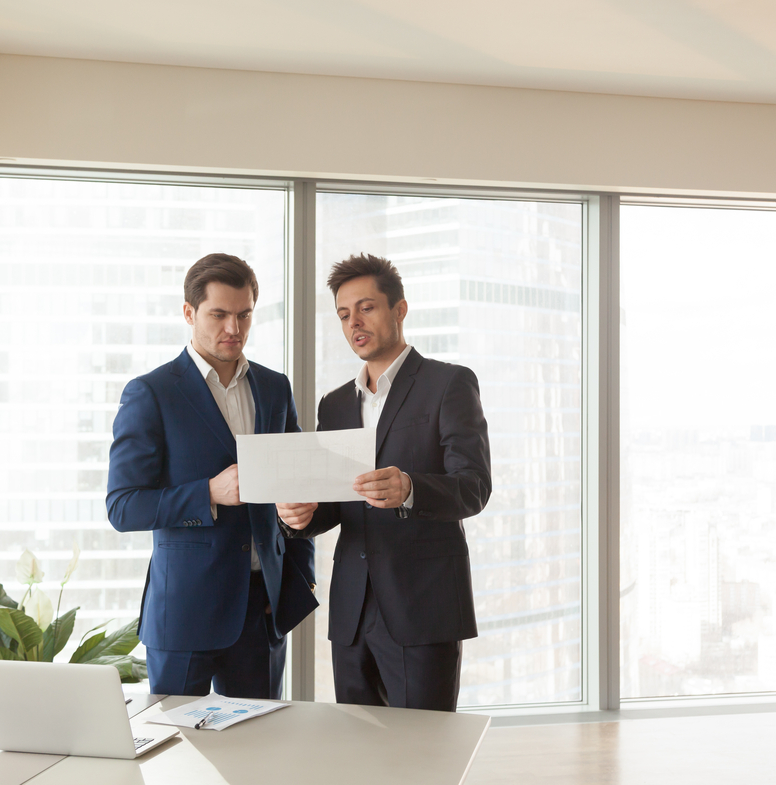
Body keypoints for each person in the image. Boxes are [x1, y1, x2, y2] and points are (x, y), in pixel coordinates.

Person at [277, 254, 491, 712]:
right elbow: (334, 503)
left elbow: (474, 486)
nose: (354, 322)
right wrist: (300, 518)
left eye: (366, 307)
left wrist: (410, 488)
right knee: (357, 752)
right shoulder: (334, 405)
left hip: (423, 607)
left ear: (399, 310)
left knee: (422, 756)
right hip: (352, 610)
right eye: (343, 313)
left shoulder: (448, 384)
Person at [107, 253, 317, 698]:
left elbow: (298, 484)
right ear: (189, 313)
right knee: (177, 753)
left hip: (261, 611)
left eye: (244, 315)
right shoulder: (151, 393)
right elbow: (123, 505)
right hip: (185, 612)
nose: (233, 329)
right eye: (219, 314)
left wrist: (297, 577)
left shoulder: (275, 388)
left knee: (259, 755)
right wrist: (209, 494)